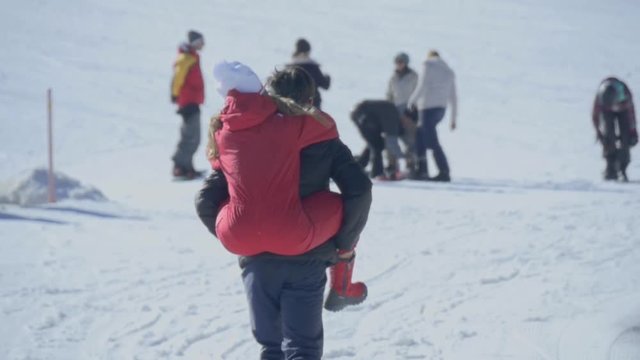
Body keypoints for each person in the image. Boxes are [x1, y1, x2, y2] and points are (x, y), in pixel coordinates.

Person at [196, 63, 372, 359]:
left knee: (272, 347)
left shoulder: (243, 137)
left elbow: (205, 201)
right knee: (301, 347)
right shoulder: (320, 134)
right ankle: (342, 279)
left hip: (257, 261)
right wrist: (343, 247)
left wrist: (246, 234)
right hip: (306, 256)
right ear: (311, 102)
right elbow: (359, 191)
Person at [408, 50, 458, 182]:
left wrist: (411, 101)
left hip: (427, 108)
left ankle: (444, 171)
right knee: (420, 135)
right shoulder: (449, 71)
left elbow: (422, 85)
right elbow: (453, 97)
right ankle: (422, 170)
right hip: (441, 109)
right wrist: (453, 119)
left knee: (432, 141)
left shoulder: (428, 65)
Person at [170, 30, 205, 179]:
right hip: (188, 102)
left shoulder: (192, 57)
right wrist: (176, 95)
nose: (203, 45)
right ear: (194, 43)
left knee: (194, 136)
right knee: (190, 136)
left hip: (192, 101)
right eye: (200, 42)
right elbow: (177, 78)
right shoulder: (186, 58)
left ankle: (188, 167)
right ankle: (179, 167)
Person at [592, 77, 638, 181]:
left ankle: (623, 166)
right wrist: (598, 132)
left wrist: (633, 131)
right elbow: (595, 116)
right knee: (609, 136)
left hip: (623, 111)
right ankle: (610, 167)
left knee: (626, 137)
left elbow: (631, 116)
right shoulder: (600, 99)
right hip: (606, 112)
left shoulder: (625, 95)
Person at [351, 100, 409, 180]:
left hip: (366, 116)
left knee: (377, 143)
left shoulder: (394, 113)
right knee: (376, 145)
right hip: (362, 117)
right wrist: (402, 157)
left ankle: (358, 166)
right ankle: (377, 173)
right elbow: (392, 142)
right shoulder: (393, 118)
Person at [288, 38, 331, 109]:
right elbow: (325, 85)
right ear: (307, 51)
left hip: (293, 106)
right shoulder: (313, 68)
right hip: (313, 105)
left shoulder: (289, 69)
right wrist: (327, 78)